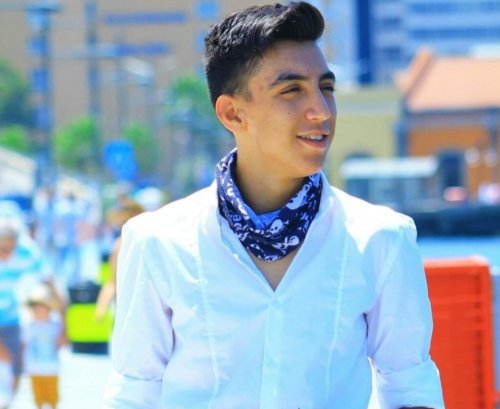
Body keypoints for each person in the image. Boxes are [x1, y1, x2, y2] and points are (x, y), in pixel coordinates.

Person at [103, 2, 444, 408]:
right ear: (233, 113)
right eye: (291, 90)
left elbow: (409, 386)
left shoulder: (382, 238)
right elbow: (135, 392)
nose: (321, 110)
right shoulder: (157, 242)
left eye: (326, 88)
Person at [0, 218, 47, 405]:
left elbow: (47, 278)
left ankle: (7, 402)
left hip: (11, 316)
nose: (6, 255)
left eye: (10, 249)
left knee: (16, 365)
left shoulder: (27, 252)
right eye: (2, 249)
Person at [95, 199, 145, 321]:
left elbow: (112, 281)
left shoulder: (122, 243)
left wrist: (102, 307)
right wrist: (102, 306)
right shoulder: (120, 244)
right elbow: (113, 280)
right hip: (129, 307)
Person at [22, 281, 66, 409]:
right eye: (35, 308)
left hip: (51, 368)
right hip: (35, 369)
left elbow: (62, 342)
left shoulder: (55, 326)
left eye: (42, 307)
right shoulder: (29, 326)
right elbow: (24, 345)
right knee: (38, 399)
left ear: (49, 309)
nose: (39, 310)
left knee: (53, 399)